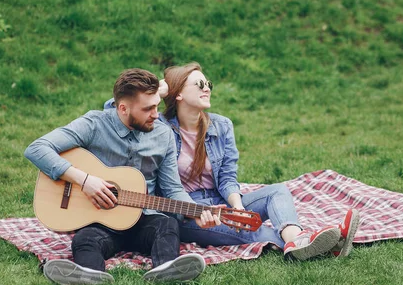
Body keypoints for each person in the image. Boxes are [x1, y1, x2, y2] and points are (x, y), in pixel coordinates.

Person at [106, 63, 360, 260]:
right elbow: (114, 109)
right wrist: (159, 89)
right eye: (199, 84)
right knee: (248, 232)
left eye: (208, 83)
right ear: (178, 94)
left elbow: (227, 177)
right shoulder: (157, 126)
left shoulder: (221, 125)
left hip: (218, 200)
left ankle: (297, 240)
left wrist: (237, 207)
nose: (207, 88)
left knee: (277, 192)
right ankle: (325, 244)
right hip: (186, 212)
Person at [24, 68, 220, 285]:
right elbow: (37, 148)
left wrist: (196, 211)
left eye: (157, 105)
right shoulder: (94, 124)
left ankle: (167, 271)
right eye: (148, 109)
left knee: (168, 226)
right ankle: (89, 276)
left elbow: (173, 188)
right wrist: (85, 181)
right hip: (100, 221)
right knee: (84, 240)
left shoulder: (163, 134)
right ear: (123, 108)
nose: (156, 114)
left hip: (145, 220)